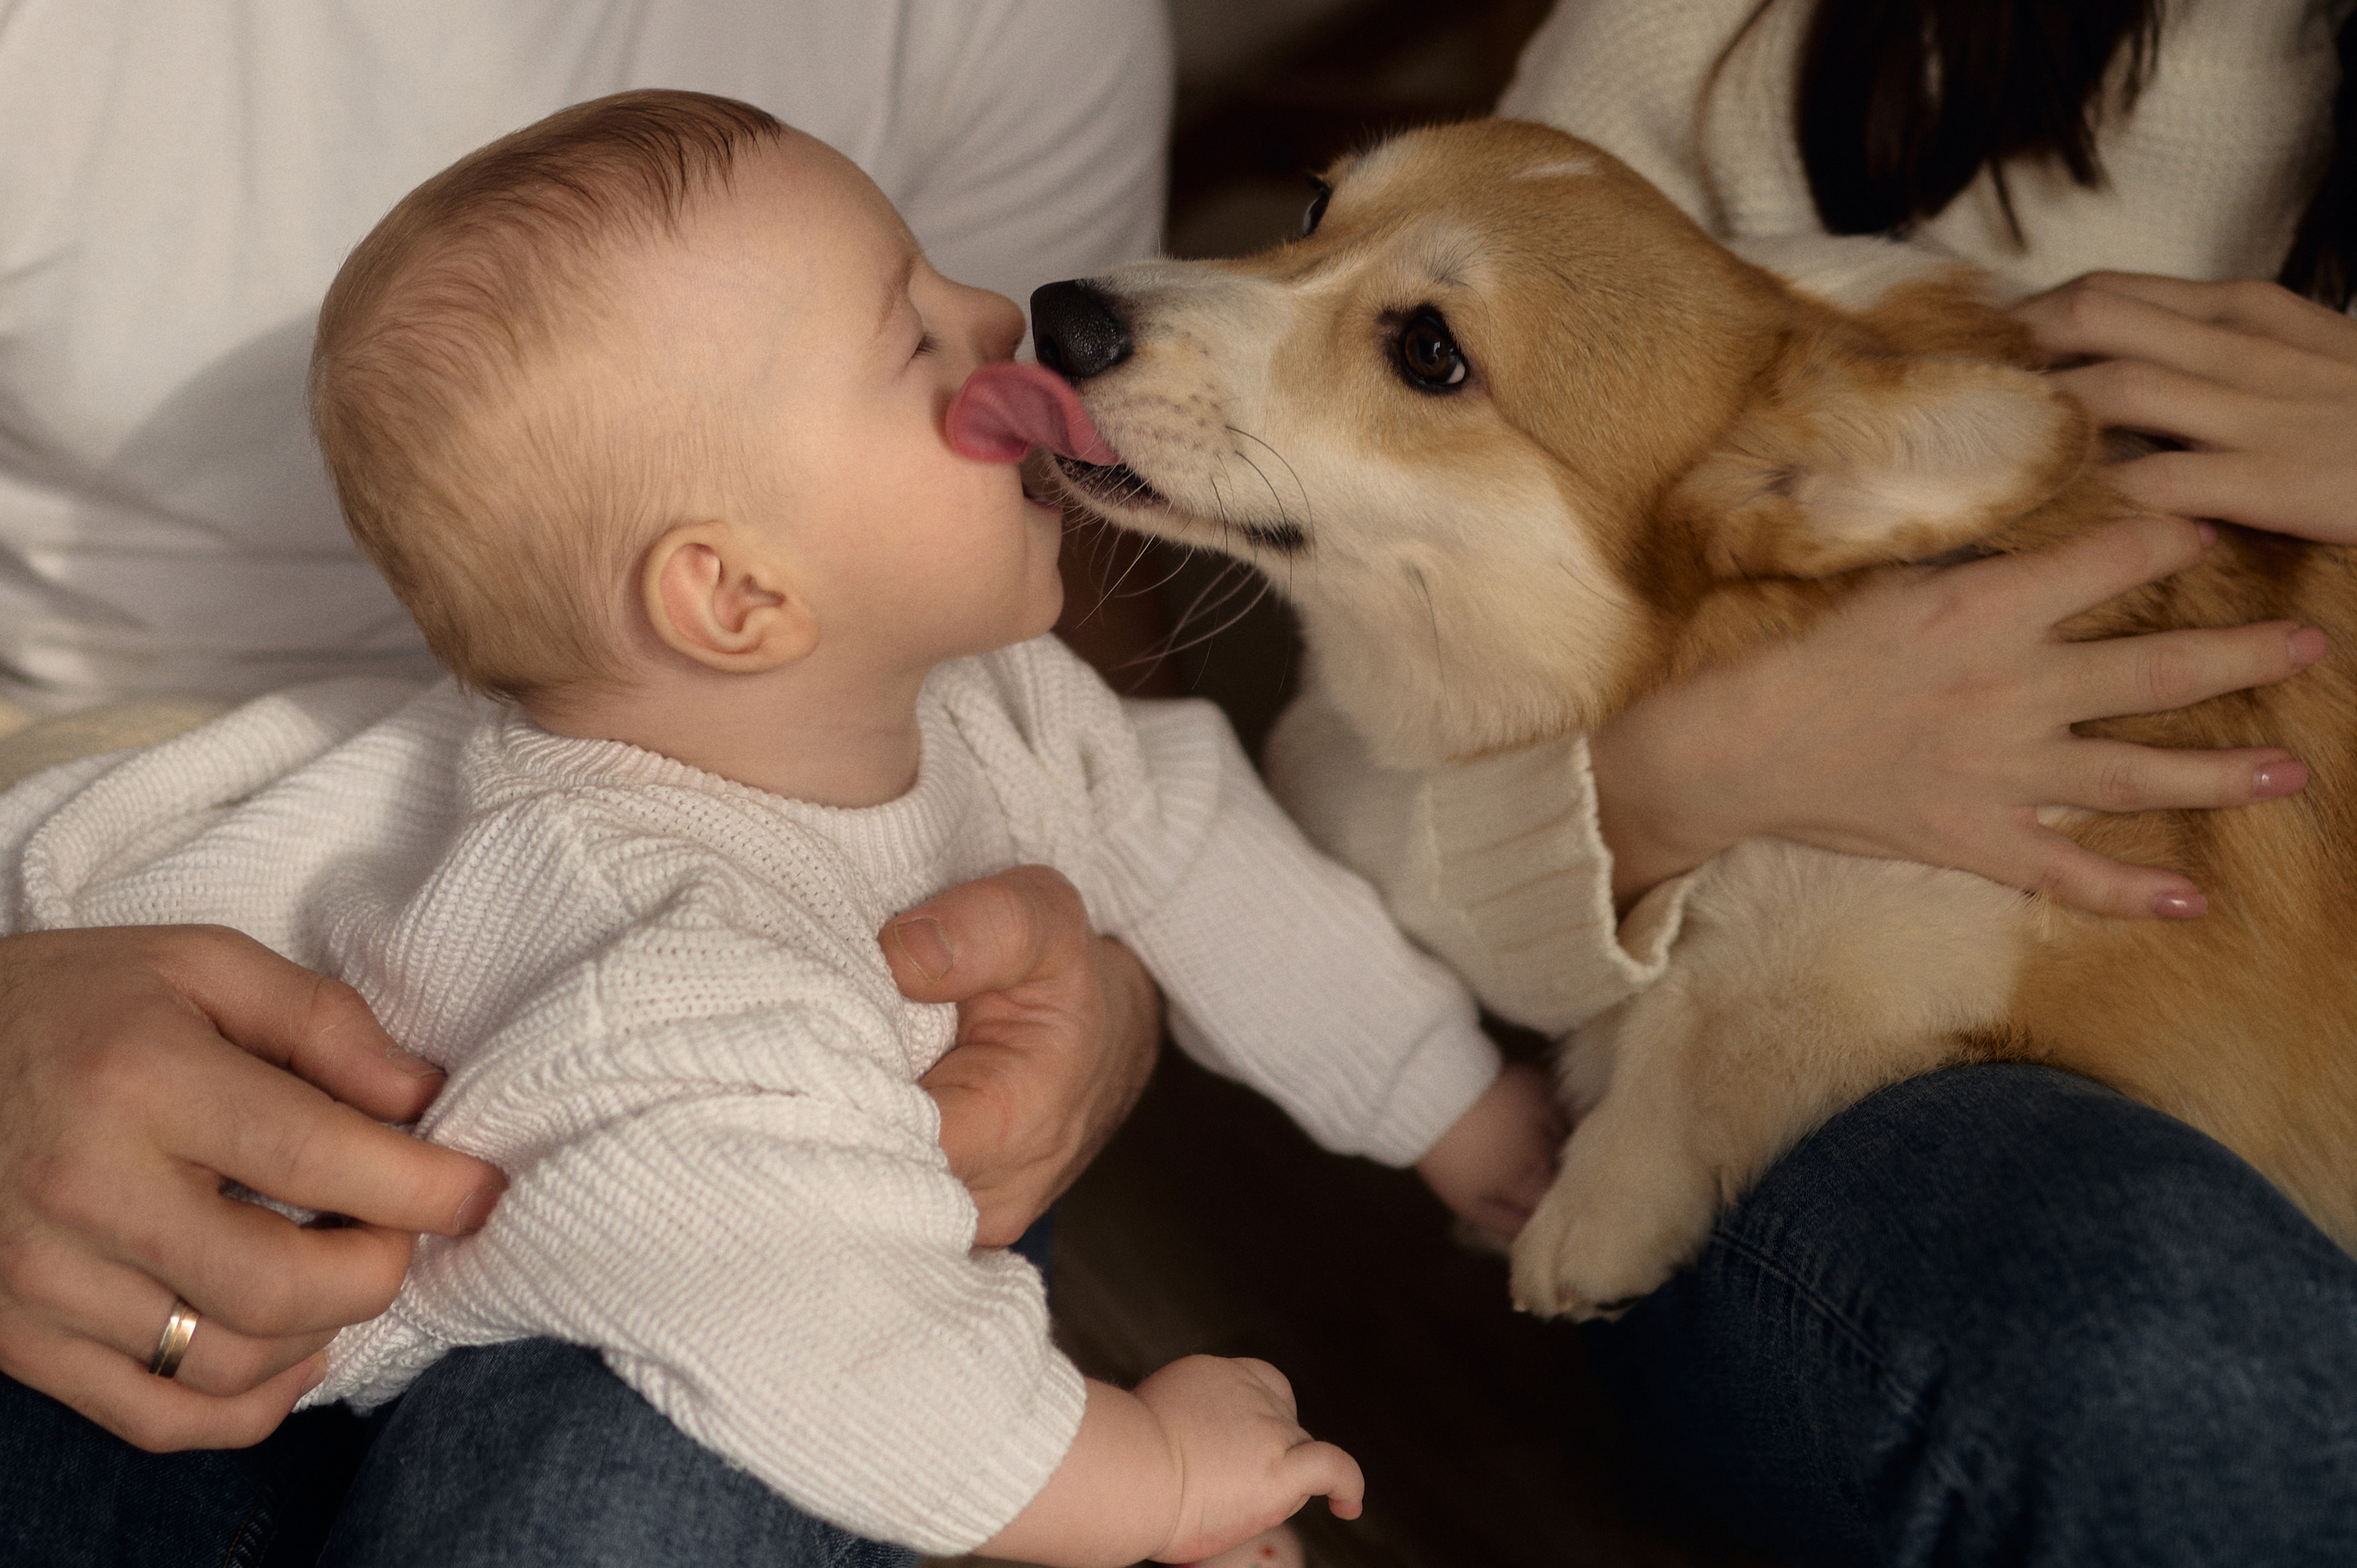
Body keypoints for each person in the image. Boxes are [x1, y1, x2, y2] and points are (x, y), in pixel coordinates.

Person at [7, 89, 1563, 1565]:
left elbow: (1190, 839)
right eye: (913, 333)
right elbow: (827, 1322)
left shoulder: (998, 713)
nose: (997, 324)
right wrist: (1141, 1471)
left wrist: (1456, 1108)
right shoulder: (676, 960)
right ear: (740, 597)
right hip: (275, 1328)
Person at [1264, 1, 2357, 1562]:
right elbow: (1326, 790)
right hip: (1874, 1156)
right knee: (2159, 1330)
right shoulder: (1723, 34)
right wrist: (1668, 788)